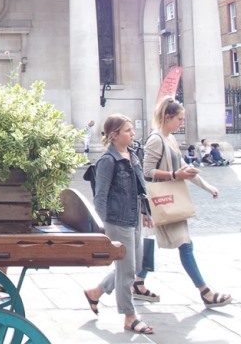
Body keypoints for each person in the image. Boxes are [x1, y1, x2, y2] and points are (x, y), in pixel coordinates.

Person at [139, 97, 232, 309]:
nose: (182, 123)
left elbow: (184, 169)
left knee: (153, 243)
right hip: (163, 200)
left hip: (170, 199)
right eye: (179, 119)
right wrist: (173, 174)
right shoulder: (156, 139)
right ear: (167, 117)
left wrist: (207, 187)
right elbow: (147, 172)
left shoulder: (170, 138)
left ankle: (137, 281)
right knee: (185, 245)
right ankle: (205, 292)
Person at [82, 114, 155, 335]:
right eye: (127, 131)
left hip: (133, 218)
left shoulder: (132, 155)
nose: (132, 134)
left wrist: (145, 212)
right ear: (114, 135)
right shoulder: (108, 161)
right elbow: (100, 197)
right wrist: (101, 227)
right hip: (117, 220)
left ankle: (95, 292)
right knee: (127, 270)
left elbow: (140, 188)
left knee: (133, 266)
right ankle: (129, 316)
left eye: (132, 130)